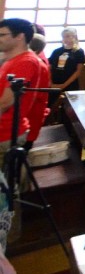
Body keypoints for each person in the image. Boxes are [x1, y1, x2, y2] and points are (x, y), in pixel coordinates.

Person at [0, 19, 43, 168]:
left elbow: (5, 102)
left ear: (20, 37)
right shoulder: (10, 59)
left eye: (2, 35)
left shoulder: (25, 61)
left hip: (6, 131)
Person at [48, 27, 85, 114]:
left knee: (69, 110)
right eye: (64, 37)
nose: (66, 39)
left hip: (70, 84)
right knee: (52, 107)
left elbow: (78, 71)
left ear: (74, 37)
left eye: (68, 36)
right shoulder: (56, 51)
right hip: (55, 83)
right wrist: (50, 83)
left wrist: (64, 85)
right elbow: (49, 67)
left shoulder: (79, 52)